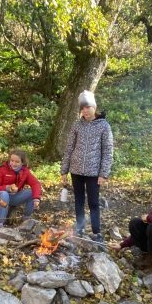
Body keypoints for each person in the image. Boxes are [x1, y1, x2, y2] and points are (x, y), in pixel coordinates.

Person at [60, 90, 114, 242]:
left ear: (94, 107)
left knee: (94, 202)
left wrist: (104, 173)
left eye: (88, 107)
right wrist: (64, 170)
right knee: (78, 200)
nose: (85, 111)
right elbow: (69, 147)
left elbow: (108, 150)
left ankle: (96, 232)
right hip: (76, 170)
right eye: (82, 108)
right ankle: (80, 229)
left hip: (94, 172)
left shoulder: (104, 126)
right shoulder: (77, 125)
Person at [0, 149, 42, 228]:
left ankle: (26, 219)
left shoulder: (25, 172)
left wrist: (36, 199)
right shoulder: (2, 170)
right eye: (12, 160)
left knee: (32, 192)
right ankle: (0, 225)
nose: (13, 163)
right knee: (4, 194)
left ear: (22, 162)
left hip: (14, 197)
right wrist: (7, 188)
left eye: (17, 162)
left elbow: (35, 184)